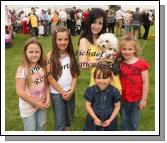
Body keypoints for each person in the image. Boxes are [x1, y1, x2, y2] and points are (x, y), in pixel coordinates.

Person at [78, 8, 122, 93]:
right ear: (89, 22)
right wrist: (101, 60)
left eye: (100, 23)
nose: (96, 26)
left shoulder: (106, 37)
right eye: (94, 22)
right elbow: (82, 65)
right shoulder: (84, 41)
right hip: (98, 81)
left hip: (113, 79)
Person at [46, 25, 80, 131]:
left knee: (69, 118)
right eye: (60, 39)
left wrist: (72, 90)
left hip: (70, 92)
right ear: (54, 40)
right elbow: (50, 78)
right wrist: (62, 92)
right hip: (57, 94)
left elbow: (75, 74)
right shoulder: (50, 56)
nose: (63, 42)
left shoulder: (71, 55)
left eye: (66, 39)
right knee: (60, 121)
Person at [15, 38, 50, 131]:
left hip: (42, 104)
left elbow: (46, 85)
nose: (34, 54)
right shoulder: (22, 69)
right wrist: (35, 103)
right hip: (28, 108)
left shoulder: (43, 66)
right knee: (31, 130)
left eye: (37, 52)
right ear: (25, 53)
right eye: (31, 52)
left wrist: (48, 98)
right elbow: (19, 91)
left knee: (41, 127)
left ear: (41, 52)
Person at [119, 34, 149, 130]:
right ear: (120, 50)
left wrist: (144, 99)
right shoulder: (120, 63)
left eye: (130, 49)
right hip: (122, 98)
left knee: (133, 123)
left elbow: (145, 82)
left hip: (136, 99)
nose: (127, 52)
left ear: (135, 49)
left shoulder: (141, 63)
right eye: (124, 49)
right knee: (124, 122)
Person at [83, 62, 121, 131]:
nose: (101, 81)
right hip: (93, 119)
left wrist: (110, 119)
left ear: (110, 78)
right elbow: (88, 105)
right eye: (98, 78)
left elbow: (117, 106)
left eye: (105, 78)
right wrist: (95, 118)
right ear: (94, 78)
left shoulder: (115, 91)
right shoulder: (91, 90)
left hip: (109, 120)